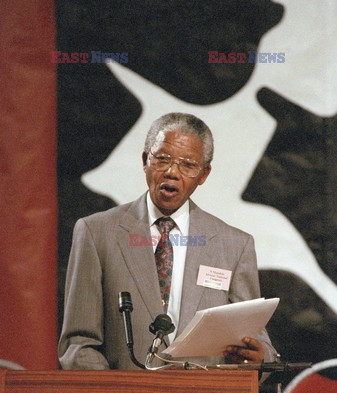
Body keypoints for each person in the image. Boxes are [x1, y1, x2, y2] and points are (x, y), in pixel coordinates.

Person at [58, 112, 276, 370]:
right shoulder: (96, 233)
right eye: (162, 159)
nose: (172, 172)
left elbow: (255, 343)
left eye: (188, 165)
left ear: (204, 174)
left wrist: (260, 358)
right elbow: (79, 345)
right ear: (145, 161)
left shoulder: (234, 246)